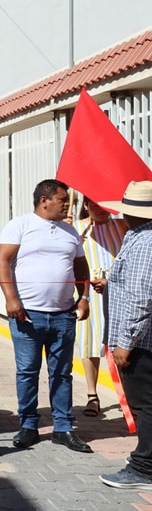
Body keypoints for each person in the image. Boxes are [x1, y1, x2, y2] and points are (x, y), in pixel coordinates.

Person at [0, 179, 92, 453]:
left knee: (62, 373)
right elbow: (2, 260)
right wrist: (11, 299)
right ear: (44, 200)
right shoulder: (20, 225)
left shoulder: (70, 231)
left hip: (63, 315)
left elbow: (81, 266)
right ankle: (28, 425)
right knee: (27, 372)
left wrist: (83, 298)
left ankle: (63, 428)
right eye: (63, 199)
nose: (67, 204)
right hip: (27, 314)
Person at [98, 181, 152, 489]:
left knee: (145, 405)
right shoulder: (138, 237)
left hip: (140, 342)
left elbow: (142, 296)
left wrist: (125, 343)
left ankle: (144, 467)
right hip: (140, 339)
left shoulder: (145, 242)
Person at [73, 196, 128, 417]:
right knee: (90, 340)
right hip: (89, 294)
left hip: (116, 291)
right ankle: (92, 395)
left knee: (121, 342)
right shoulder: (76, 229)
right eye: (94, 204)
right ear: (86, 205)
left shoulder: (122, 225)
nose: (100, 209)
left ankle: (127, 395)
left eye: (104, 205)